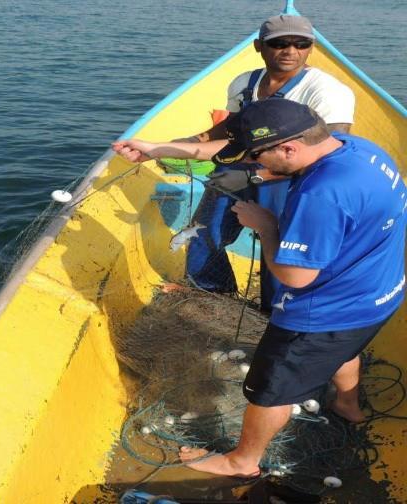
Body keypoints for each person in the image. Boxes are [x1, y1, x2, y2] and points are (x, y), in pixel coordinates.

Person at [177, 99, 405, 477]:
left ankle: (241, 461)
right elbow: (306, 174)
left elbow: (296, 277)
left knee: (271, 390)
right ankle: (348, 405)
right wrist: (254, 178)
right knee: (346, 349)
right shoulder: (360, 149)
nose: (259, 165)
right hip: (380, 296)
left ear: (289, 147)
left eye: (258, 157)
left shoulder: (320, 195)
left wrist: (265, 225)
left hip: (324, 314)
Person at [112, 14, 355, 308]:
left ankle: (277, 308)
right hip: (240, 167)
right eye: (279, 43)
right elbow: (228, 132)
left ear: (310, 47)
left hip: (296, 179)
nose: (291, 50)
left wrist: (257, 177)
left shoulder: (328, 92)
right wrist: (169, 147)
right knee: (205, 231)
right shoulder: (244, 83)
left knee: (280, 244)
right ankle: (212, 293)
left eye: (301, 43)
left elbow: (327, 160)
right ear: (258, 46)